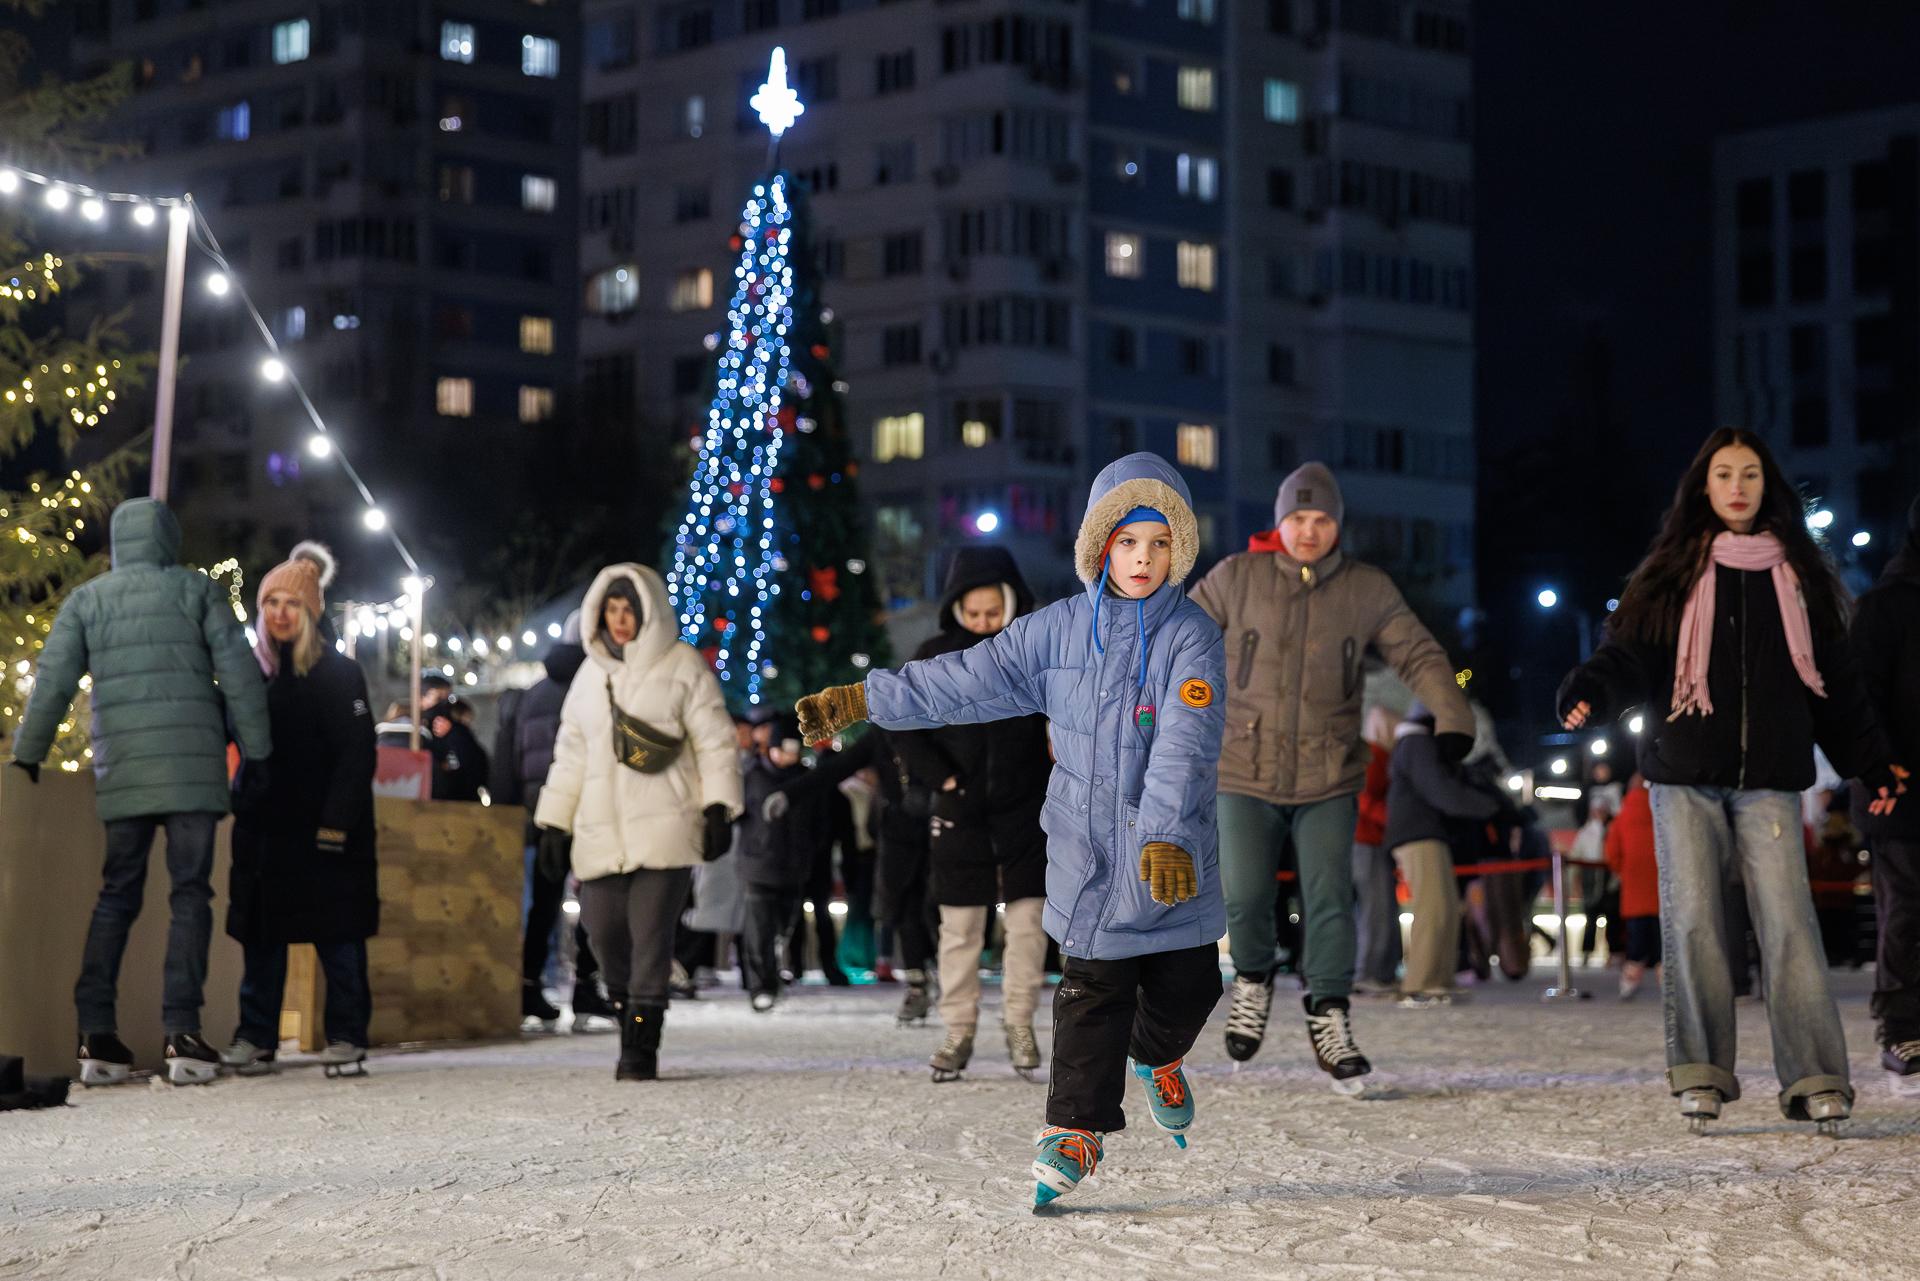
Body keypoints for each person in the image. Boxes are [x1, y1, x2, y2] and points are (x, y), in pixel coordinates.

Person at [796, 452, 1226, 1211]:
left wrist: (1163, 834)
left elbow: (1186, 743)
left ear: (1179, 550)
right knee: (1092, 990)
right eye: (1129, 542)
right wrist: (866, 697)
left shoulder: (1191, 635)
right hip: (1089, 858)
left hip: (1172, 857)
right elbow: (962, 677)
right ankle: (1072, 1130)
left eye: (1160, 543)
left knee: (1188, 985)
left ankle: (1160, 1055)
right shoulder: (1056, 631)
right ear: (1101, 545)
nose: (1143, 559)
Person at [1558, 427, 1903, 1134]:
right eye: (1724, 474)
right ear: (1704, 487)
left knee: (1789, 924)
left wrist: (1873, 762)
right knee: (1693, 924)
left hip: (1771, 776)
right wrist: (1592, 685)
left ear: (1767, 485)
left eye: (1749, 473)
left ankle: (1814, 1075)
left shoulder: (1800, 575)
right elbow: (1628, 654)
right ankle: (1701, 1072)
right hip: (1683, 773)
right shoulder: (1673, 570)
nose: (1738, 486)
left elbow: (1835, 686)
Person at [1187, 461, 1474, 1088]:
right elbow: (1176, 641)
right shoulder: (1237, 578)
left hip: (1329, 772)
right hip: (1242, 767)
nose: (1308, 530)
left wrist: (1452, 712)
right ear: (1279, 522)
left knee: (1329, 901)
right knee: (1244, 894)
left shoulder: (1366, 589)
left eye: (1321, 519)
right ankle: (1256, 979)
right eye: (1297, 518)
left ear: (1337, 524)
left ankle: (1330, 1012)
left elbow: (1418, 652)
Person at [8, 498, 272, 1087]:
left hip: (123, 769)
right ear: (168, 540)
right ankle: (182, 1032)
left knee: (116, 895)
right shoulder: (197, 592)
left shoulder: (87, 600)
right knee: (190, 896)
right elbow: (239, 674)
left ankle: (95, 1034)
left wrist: (29, 753)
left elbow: (52, 679)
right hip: (193, 774)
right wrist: (257, 753)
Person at [533, 566, 741, 1080]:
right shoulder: (588, 677)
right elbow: (570, 757)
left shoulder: (684, 665)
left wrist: (718, 807)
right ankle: (629, 1013)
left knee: (650, 936)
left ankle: (640, 1046)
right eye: (611, 609)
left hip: (666, 827)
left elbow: (715, 741)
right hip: (600, 831)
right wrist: (554, 823)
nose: (620, 620)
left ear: (648, 610)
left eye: (629, 609)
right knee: (602, 932)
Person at [889, 546, 1052, 1083]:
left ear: (1011, 605)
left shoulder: (1034, 655)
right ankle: (958, 1029)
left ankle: (1020, 1023)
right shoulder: (936, 657)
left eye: (993, 613)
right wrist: (944, 778)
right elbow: (900, 723)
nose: (983, 624)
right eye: (974, 613)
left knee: (1028, 925)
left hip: (1026, 813)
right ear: (957, 608)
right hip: (959, 814)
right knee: (960, 929)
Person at [219, 544, 378, 1077]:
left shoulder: (338, 674)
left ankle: (347, 1033)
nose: (280, 612)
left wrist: (336, 823)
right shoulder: (250, 676)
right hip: (265, 828)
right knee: (262, 936)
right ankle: (256, 1035)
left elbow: (356, 755)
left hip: (324, 829)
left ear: (310, 612)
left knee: (338, 933)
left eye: (291, 602)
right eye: (271, 602)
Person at [489, 611, 616, 1032]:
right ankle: (586, 987)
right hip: (587, 811)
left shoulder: (529, 694)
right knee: (598, 899)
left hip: (536, 817)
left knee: (540, 906)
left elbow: (505, 761)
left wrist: (510, 816)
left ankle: (528, 989)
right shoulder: (597, 687)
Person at [1850, 492, 1920, 1093]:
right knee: (1906, 909)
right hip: (1897, 787)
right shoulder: (1885, 606)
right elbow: (1859, 698)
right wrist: (1879, 768)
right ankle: (1900, 1025)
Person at [1383, 701, 1504, 1005]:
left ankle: (1439, 979)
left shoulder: (1417, 742)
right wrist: (1486, 805)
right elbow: (1438, 789)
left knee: (1447, 907)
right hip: (1416, 833)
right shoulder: (1416, 742)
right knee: (1432, 908)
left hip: (1427, 832)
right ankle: (1419, 984)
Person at [738, 718, 816, 1009]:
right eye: (781, 751)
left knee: (784, 926)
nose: (786, 758)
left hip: (794, 866)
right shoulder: (751, 775)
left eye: (792, 752)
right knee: (759, 930)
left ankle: (777, 974)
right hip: (757, 865)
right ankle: (761, 986)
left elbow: (818, 822)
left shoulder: (806, 779)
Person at [1351, 705, 1401, 993]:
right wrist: (1394, 820)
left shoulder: (1371, 756)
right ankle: (1369, 973)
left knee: (1375, 908)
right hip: (1367, 840)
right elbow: (1365, 800)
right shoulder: (1375, 757)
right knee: (1376, 909)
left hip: (1365, 840)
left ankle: (1377, 971)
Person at [1605, 774, 1660, 999]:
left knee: (1636, 941)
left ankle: (1628, 983)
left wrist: (1623, 870)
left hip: (1634, 890)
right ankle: (1668, 985)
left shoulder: (1621, 817)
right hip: (1660, 889)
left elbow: (1611, 853)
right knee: (1662, 942)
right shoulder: (1660, 813)